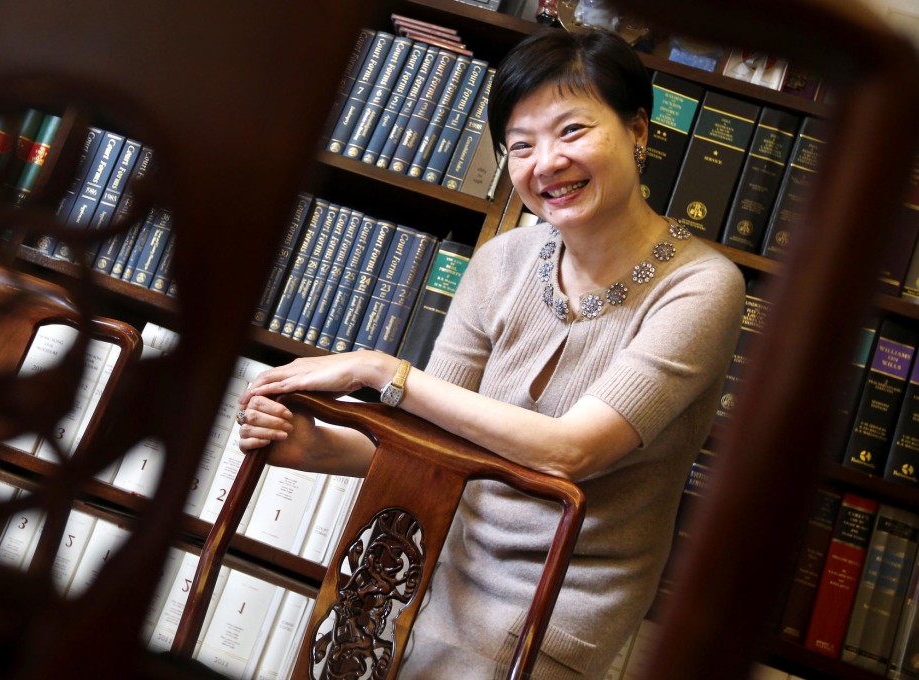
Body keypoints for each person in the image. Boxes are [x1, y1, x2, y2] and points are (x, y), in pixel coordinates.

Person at [237, 26, 745, 680]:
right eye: (521, 145)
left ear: (639, 132)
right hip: (431, 557)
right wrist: (320, 448)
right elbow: (433, 441)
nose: (546, 163)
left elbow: (572, 451)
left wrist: (378, 370)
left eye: (573, 131)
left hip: (558, 606)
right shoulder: (501, 261)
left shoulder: (701, 287)